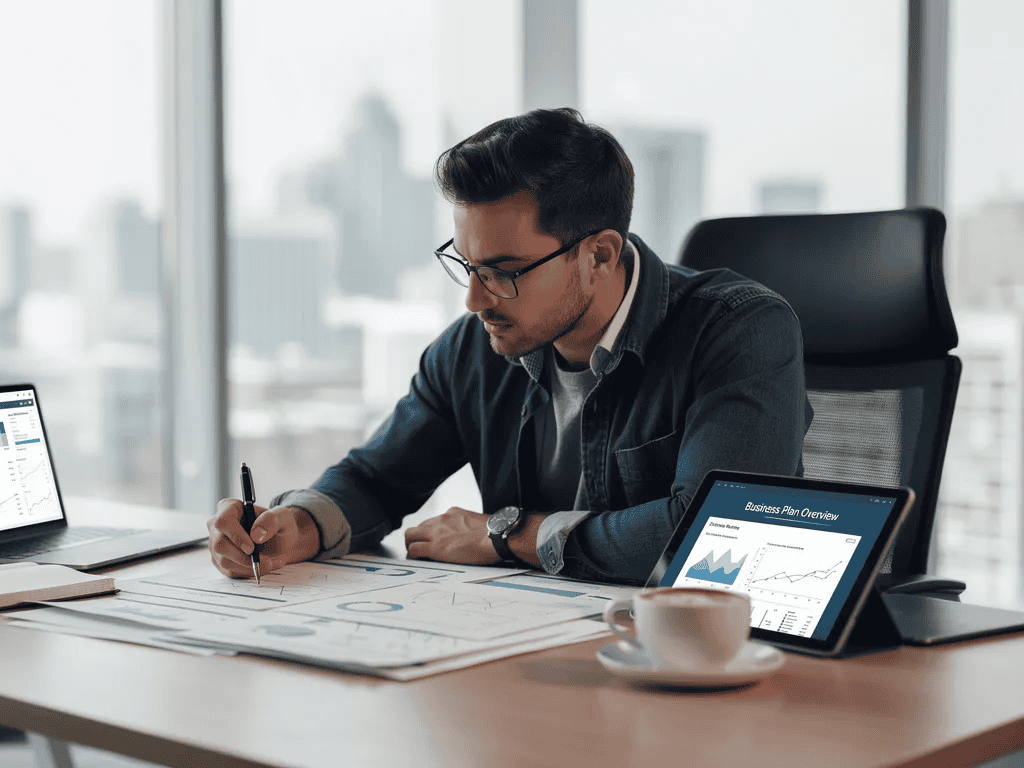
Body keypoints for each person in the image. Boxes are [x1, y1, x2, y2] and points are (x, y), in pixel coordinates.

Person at [208, 108, 811, 585]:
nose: (475, 299)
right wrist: (297, 524)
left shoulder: (738, 330)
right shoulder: (476, 348)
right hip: (529, 652)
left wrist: (508, 535)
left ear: (598, 254)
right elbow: (376, 481)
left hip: (692, 671)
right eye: (466, 265)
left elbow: (725, 535)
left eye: (503, 270)